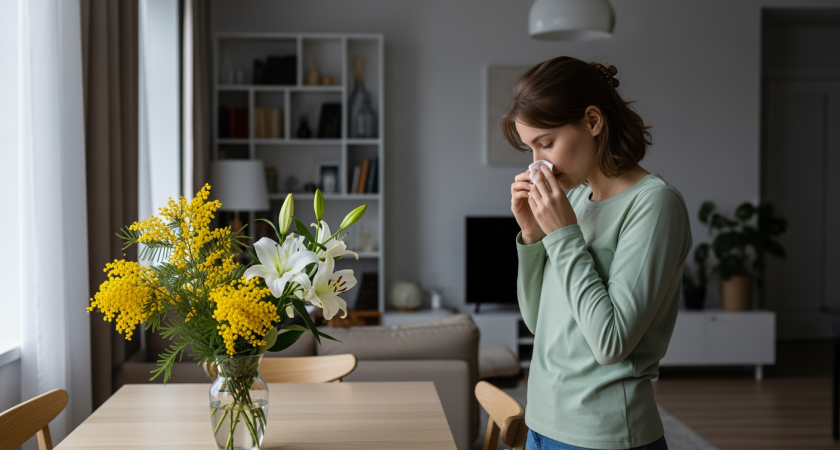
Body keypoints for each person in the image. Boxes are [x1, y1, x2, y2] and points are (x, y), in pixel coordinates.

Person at [505, 56, 692, 450]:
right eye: (530, 149)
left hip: (602, 435)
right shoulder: (573, 198)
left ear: (592, 121)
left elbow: (611, 343)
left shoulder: (654, 204)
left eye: (547, 143)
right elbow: (538, 322)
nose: (538, 165)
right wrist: (532, 236)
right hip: (541, 421)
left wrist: (563, 234)